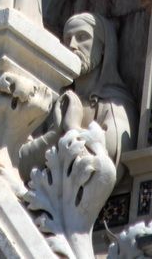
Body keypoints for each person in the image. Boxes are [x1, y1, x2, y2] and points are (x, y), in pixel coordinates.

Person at [19, 12, 137, 181]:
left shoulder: (114, 102)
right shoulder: (55, 101)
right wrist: (55, 133)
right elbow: (21, 166)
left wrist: (72, 127)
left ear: (104, 47)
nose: (72, 45)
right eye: (67, 39)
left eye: (82, 37)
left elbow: (109, 166)